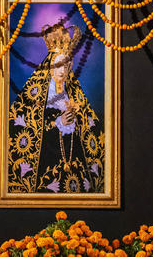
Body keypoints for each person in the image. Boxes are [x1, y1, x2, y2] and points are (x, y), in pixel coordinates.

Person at [7, 22, 104, 193]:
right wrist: (57, 122)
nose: (62, 70)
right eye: (58, 65)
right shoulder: (34, 95)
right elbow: (21, 125)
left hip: (73, 167)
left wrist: (75, 122)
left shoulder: (73, 94)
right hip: (45, 164)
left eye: (66, 66)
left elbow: (89, 130)